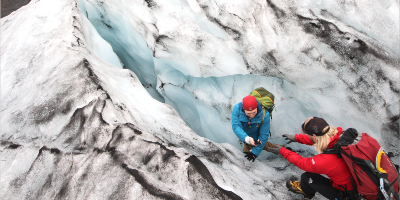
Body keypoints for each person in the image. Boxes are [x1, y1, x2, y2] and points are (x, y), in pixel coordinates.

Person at [269, 117, 358, 199]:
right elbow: (320, 140)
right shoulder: (343, 137)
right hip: (360, 182)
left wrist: (282, 151)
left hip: (348, 195)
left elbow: (302, 163)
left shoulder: (326, 160)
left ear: (314, 137)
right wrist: (297, 138)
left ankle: (307, 193)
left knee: (307, 177)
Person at [231, 95, 277, 162]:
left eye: (254, 112)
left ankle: (284, 150)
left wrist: (254, 153)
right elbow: (236, 126)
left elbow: (264, 134)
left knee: (267, 146)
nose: (252, 115)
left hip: (257, 139)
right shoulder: (237, 109)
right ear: (244, 109)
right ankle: (283, 149)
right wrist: (247, 138)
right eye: (248, 113)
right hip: (246, 138)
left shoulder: (264, 114)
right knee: (250, 149)